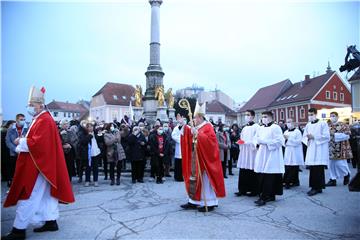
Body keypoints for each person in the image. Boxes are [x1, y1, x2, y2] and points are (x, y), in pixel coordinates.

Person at [2, 86, 74, 240]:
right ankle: (50, 221)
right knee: (46, 195)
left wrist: (20, 140)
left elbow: (38, 144)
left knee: (29, 194)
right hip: (42, 164)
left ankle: (19, 229)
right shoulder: (41, 118)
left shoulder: (45, 119)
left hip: (39, 165)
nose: (30, 108)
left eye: (32, 105)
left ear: (40, 105)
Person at [180, 101, 226, 212]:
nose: (194, 120)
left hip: (205, 160)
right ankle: (193, 201)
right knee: (194, 180)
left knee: (205, 181)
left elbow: (211, 142)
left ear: (200, 117)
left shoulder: (207, 127)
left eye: (195, 118)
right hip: (195, 157)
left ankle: (210, 203)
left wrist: (198, 134)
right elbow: (187, 138)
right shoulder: (196, 126)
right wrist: (184, 128)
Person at [253, 111, 285, 206]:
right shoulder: (260, 128)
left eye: (266, 117)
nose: (264, 118)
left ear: (271, 118)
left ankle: (266, 196)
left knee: (269, 175)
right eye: (262, 117)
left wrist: (266, 142)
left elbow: (280, 141)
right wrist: (257, 143)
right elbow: (255, 138)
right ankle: (268, 195)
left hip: (272, 154)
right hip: (262, 153)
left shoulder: (276, 127)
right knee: (262, 174)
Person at [302, 108, 330, 196]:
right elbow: (304, 136)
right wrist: (307, 138)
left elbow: (326, 136)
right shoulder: (308, 124)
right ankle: (315, 187)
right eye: (309, 115)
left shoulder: (323, 123)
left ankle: (317, 188)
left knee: (319, 169)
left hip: (319, 149)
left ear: (315, 114)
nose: (310, 116)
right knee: (313, 169)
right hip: (311, 148)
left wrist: (314, 137)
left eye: (311, 114)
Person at [235, 110, 260, 197]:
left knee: (252, 169)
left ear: (253, 116)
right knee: (243, 170)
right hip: (244, 151)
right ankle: (242, 189)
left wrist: (246, 142)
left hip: (252, 152)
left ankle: (254, 190)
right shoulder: (244, 128)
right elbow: (241, 137)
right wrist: (240, 143)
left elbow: (256, 140)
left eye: (248, 115)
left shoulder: (257, 127)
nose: (246, 116)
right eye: (245, 115)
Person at [326, 112, 352, 187]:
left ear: (337, 117)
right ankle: (332, 179)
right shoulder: (328, 125)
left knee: (340, 164)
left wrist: (334, 135)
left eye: (333, 116)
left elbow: (347, 135)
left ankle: (346, 174)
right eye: (331, 116)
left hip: (340, 148)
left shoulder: (343, 125)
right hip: (330, 148)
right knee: (331, 164)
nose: (332, 117)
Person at [5, 113, 29, 187]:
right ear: (17, 120)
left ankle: (22, 184)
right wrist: (15, 149)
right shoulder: (11, 129)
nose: (23, 121)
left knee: (23, 170)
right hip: (13, 153)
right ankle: (11, 183)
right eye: (21, 120)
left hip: (24, 152)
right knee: (13, 169)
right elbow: (7, 141)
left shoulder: (27, 128)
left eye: (24, 119)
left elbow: (29, 139)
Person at [283, 118, 304, 189]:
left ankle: (291, 182)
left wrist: (289, 139)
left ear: (293, 123)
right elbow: (283, 143)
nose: (288, 123)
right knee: (287, 167)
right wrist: (286, 140)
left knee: (294, 168)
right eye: (287, 122)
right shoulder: (285, 131)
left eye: (289, 122)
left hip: (295, 152)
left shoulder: (297, 132)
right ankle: (289, 181)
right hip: (288, 151)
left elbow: (298, 142)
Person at [79, 121, 101, 187]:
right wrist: (90, 136)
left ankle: (95, 180)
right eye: (89, 127)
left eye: (92, 127)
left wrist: (100, 136)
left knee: (95, 168)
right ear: (87, 128)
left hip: (96, 153)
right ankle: (87, 181)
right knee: (88, 168)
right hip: (88, 154)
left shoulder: (96, 133)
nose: (91, 128)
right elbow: (83, 141)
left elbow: (100, 141)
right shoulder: (84, 134)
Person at [1, 120, 15, 187]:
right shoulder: (5, 132)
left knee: (6, 166)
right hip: (7, 152)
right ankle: (8, 180)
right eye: (12, 125)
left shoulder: (4, 131)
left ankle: (6, 178)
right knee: (8, 166)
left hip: (6, 152)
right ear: (8, 125)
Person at [172, 114, 185, 182]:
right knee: (178, 164)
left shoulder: (186, 127)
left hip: (185, 148)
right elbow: (173, 136)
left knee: (183, 164)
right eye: (180, 121)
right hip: (179, 147)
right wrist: (180, 140)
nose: (182, 122)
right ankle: (177, 176)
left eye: (182, 121)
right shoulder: (176, 128)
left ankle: (183, 176)